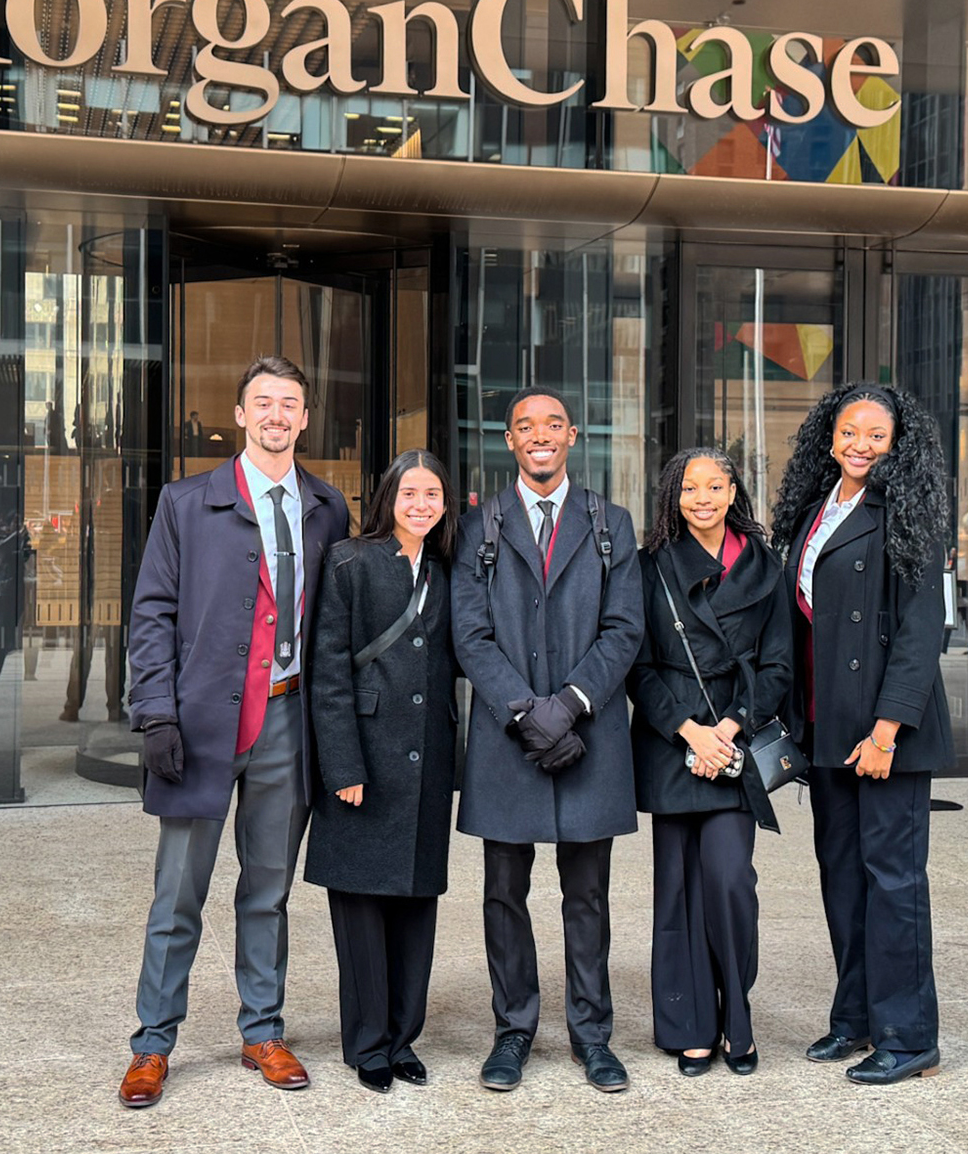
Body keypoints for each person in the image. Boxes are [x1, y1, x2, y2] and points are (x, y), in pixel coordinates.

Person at [117, 356, 351, 1109]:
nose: (278, 415)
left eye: (290, 404)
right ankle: (153, 1044)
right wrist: (154, 712)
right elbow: (151, 612)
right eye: (264, 403)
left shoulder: (327, 507)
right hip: (202, 723)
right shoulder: (188, 503)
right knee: (177, 894)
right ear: (241, 414)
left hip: (289, 718)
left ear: (305, 418)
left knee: (268, 888)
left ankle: (263, 1031)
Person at [451, 386, 644, 1094]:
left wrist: (568, 704)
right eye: (525, 426)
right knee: (503, 891)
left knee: (587, 895)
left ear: (572, 437)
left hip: (588, 733)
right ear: (509, 440)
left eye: (552, 425)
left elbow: (626, 628)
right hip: (509, 738)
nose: (540, 436)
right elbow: (468, 632)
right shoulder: (481, 527)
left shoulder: (610, 523)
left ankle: (593, 1035)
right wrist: (524, 711)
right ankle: (513, 1031)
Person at [772, 382, 955, 1087]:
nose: (861, 445)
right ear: (829, 436)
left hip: (884, 734)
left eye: (876, 434)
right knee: (843, 878)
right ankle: (854, 1018)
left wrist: (886, 730)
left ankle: (909, 1037)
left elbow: (918, 632)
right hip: (825, 726)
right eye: (850, 431)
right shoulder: (818, 511)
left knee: (895, 882)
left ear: (897, 443)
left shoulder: (907, 512)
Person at [628, 447, 789, 1078]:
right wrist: (689, 732)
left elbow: (778, 666)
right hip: (674, 743)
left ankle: (736, 1018)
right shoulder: (652, 567)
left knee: (729, 882)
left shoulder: (764, 567)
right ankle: (690, 1026)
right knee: (677, 892)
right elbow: (637, 666)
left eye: (714, 486)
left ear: (732, 493)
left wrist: (727, 729)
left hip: (733, 743)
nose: (702, 497)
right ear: (675, 495)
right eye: (690, 487)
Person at [305, 450, 459, 1094]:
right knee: (363, 908)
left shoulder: (449, 570)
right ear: (388, 498)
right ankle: (367, 1044)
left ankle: (402, 1039)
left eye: (433, 494)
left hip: (428, 757)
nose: (421, 504)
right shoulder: (350, 562)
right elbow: (330, 673)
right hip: (364, 757)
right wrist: (342, 763)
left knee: (417, 903)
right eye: (410, 493)